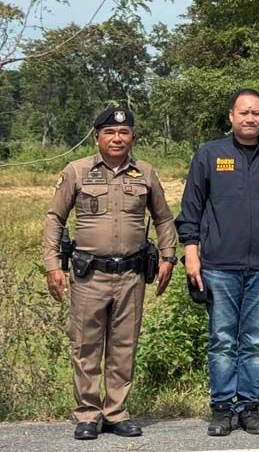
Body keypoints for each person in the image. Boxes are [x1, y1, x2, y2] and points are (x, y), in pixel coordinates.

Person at [42, 106, 178, 441]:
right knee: (86, 346)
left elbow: (162, 218)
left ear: (133, 136)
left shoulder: (145, 173)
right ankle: (88, 414)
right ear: (97, 136)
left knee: (123, 346)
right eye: (110, 133)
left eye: (124, 132)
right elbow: (54, 218)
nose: (117, 138)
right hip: (89, 276)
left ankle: (116, 412)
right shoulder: (77, 171)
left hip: (131, 275)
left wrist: (168, 257)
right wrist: (52, 265)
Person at [176, 89, 259, 437]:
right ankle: (221, 409)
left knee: (254, 341)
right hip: (218, 266)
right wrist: (191, 251)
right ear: (231, 116)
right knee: (221, 339)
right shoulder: (210, 154)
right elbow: (191, 208)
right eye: (244, 112)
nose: (250, 118)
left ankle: (249, 407)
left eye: (257, 113)